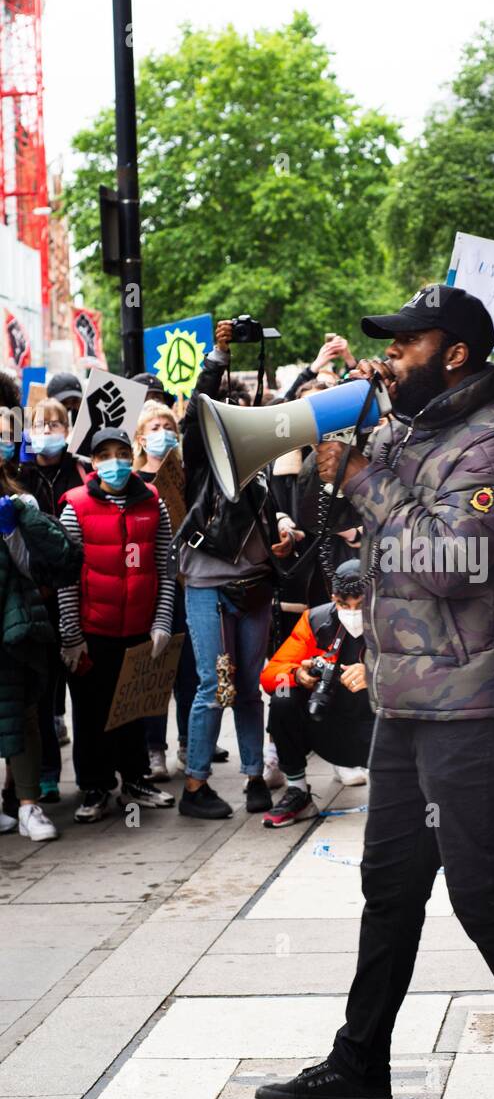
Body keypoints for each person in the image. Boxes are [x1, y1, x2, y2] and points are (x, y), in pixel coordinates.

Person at [255, 283, 494, 1099]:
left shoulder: (493, 444)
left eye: (407, 344)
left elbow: (449, 560)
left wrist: (363, 476)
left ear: (454, 352)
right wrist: (337, 456)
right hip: (408, 698)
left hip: (475, 702)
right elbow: (367, 534)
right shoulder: (409, 428)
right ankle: (359, 1063)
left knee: (482, 889)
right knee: (390, 883)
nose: (392, 356)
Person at [175, 320, 299, 819]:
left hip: (253, 586)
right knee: (213, 687)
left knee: (249, 687)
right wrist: (217, 358)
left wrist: (284, 533)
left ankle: (253, 777)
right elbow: (192, 416)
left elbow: (268, 522)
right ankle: (195, 785)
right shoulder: (203, 463)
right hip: (207, 585)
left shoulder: (261, 472)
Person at [57, 427, 176, 823]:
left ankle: (135, 780)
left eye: (122, 452)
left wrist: (161, 622)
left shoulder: (153, 502)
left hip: (139, 628)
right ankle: (94, 786)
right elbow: (67, 576)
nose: (115, 461)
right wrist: (72, 637)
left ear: (133, 454)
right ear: (93, 463)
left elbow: (165, 566)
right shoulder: (75, 506)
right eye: (105, 454)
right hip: (93, 631)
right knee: (91, 713)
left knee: (132, 711)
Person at [0, 412, 82, 841]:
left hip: (14, 629)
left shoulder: (20, 502)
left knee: (25, 713)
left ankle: (29, 804)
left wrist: (15, 533)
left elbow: (50, 566)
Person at [259, 559, 374, 825]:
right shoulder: (316, 619)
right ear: (334, 598)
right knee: (283, 695)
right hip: (328, 724)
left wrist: (376, 673)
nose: (353, 612)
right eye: (345, 605)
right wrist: (298, 674)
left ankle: (408, 792)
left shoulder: (394, 619)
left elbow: (424, 673)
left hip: (381, 728)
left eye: (360, 604)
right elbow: (268, 676)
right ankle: (297, 790)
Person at [18, 398, 88, 804]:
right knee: (42, 693)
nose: (47, 431)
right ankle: (47, 772)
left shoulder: (79, 472)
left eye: (55, 424)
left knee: (83, 686)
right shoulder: (19, 477)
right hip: (37, 595)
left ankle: (91, 772)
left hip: (77, 595)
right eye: (39, 424)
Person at [131, 401, 201, 780]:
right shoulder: (132, 482)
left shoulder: (187, 477)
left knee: (190, 671)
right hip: (151, 590)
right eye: (153, 427)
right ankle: (153, 748)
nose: (161, 432)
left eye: (167, 425)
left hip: (189, 584)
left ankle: (190, 744)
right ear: (140, 438)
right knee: (154, 669)